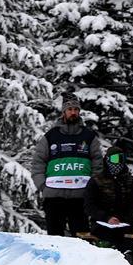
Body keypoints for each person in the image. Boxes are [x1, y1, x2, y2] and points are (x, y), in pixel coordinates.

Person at [30, 92, 102, 237]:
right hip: (54, 196)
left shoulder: (89, 136)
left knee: (81, 240)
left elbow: (98, 164)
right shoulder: (51, 136)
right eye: (70, 109)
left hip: (80, 196)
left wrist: (92, 187)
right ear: (64, 112)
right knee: (55, 239)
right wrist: (43, 186)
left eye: (76, 110)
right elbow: (38, 162)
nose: (73, 112)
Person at [84, 147, 133, 255]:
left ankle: (128, 255)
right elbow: (89, 206)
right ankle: (121, 255)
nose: (118, 163)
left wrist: (125, 219)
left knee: (127, 233)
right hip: (101, 223)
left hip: (125, 223)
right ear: (107, 160)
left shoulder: (130, 180)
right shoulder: (96, 180)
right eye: (115, 159)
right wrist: (106, 218)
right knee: (109, 234)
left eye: (121, 159)